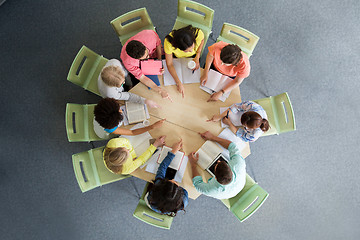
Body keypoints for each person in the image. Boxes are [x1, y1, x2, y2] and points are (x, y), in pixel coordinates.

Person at [189, 131, 246, 199]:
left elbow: (197, 183)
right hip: (239, 185)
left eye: (217, 163)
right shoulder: (238, 164)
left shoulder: (212, 190)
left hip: (230, 192)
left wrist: (193, 164)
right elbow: (232, 146)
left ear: (215, 177)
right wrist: (213, 137)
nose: (218, 161)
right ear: (230, 169)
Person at [120, 30, 171, 101]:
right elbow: (142, 78)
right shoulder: (128, 62)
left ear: (144, 45)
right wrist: (160, 90)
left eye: (147, 54)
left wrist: (159, 62)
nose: (148, 58)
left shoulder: (150, 35)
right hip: (140, 67)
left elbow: (158, 45)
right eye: (144, 58)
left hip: (154, 54)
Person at [145, 139, 188, 216]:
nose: (173, 179)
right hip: (160, 207)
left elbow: (162, 167)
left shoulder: (158, 185)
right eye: (175, 183)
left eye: (171, 181)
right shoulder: (183, 201)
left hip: (152, 204)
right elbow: (185, 191)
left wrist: (173, 151)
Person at [93, 98, 165, 139]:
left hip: (99, 121)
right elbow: (132, 132)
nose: (121, 110)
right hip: (100, 132)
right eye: (119, 110)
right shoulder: (111, 128)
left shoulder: (102, 110)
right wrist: (152, 127)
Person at [164, 25, 204, 97]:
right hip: (178, 58)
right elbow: (169, 64)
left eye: (192, 47)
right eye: (187, 51)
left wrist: (197, 56)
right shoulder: (168, 43)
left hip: (194, 57)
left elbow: (202, 41)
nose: (191, 51)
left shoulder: (198, 33)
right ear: (177, 47)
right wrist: (178, 82)